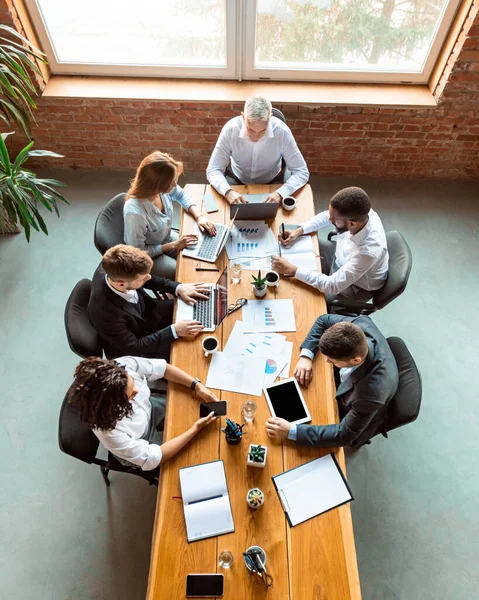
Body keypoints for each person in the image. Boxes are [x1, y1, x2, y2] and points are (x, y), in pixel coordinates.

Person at [266, 316, 399, 448]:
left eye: (332, 359)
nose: (327, 361)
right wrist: (306, 356)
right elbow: (323, 320)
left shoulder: (370, 395)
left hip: (352, 410)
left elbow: (344, 435)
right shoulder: (359, 325)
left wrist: (291, 431)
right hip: (346, 383)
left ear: (355, 360)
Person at [68, 355, 219, 471]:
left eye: (132, 384)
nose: (137, 391)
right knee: (198, 454)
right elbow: (155, 457)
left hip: (151, 408)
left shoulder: (122, 365)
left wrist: (197, 386)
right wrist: (195, 429)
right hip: (144, 439)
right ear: (113, 406)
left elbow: (164, 368)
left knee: (191, 412)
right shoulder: (110, 432)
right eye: (130, 395)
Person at [88, 244, 209, 360]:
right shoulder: (105, 314)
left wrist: (178, 288)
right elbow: (135, 347)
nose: (149, 277)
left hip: (148, 312)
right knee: (192, 351)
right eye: (143, 278)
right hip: (139, 343)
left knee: (195, 307)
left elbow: (146, 278)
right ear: (121, 284)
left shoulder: (115, 266)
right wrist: (174, 331)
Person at [272, 187, 388, 305]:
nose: (329, 219)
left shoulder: (368, 252)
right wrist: (299, 230)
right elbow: (327, 217)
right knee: (304, 245)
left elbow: (331, 285)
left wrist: (291, 269)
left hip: (356, 286)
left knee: (307, 299)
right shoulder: (361, 212)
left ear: (352, 223)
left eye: (334, 220)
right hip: (340, 256)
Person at [124, 151, 216, 279]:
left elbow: (180, 194)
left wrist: (199, 217)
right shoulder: (135, 213)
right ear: (157, 184)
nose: (174, 184)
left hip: (166, 239)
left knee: (200, 256)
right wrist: (173, 246)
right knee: (185, 274)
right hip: (150, 255)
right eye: (171, 182)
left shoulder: (160, 190)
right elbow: (137, 251)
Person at [206, 96, 309, 205]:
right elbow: (213, 169)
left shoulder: (282, 132)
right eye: (250, 129)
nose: (256, 136)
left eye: (262, 130)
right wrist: (227, 191)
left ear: (270, 118)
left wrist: (281, 193)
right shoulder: (230, 130)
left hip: (272, 181)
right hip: (237, 178)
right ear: (243, 117)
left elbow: (302, 172)